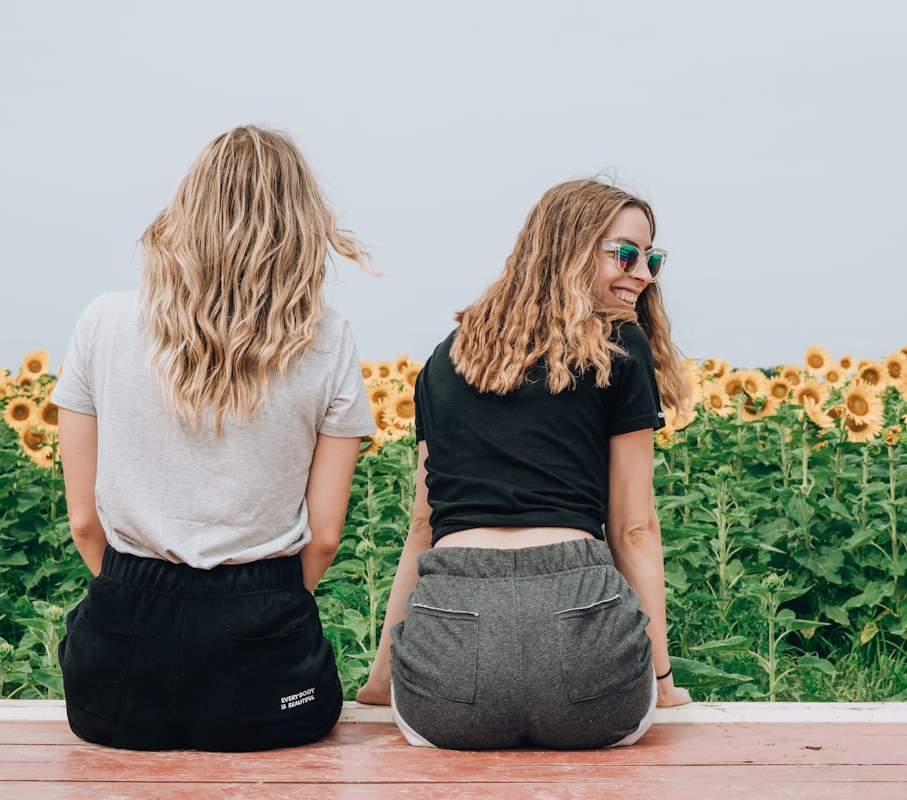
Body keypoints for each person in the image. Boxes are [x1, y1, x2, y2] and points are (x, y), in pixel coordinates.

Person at [51, 126, 377, 751]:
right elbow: (326, 535)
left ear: (186, 210)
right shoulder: (328, 338)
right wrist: (262, 605)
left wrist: (134, 592)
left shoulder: (103, 322)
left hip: (116, 674)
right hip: (265, 662)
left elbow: (84, 521)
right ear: (301, 224)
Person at [355, 178, 693, 749]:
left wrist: (382, 678)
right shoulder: (622, 350)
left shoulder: (445, 359)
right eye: (626, 254)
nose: (644, 274)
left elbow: (423, 527)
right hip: (589, 676)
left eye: (651, 258)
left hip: (448, 689)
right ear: (570, 246)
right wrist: (661, 679)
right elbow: (634, 528)